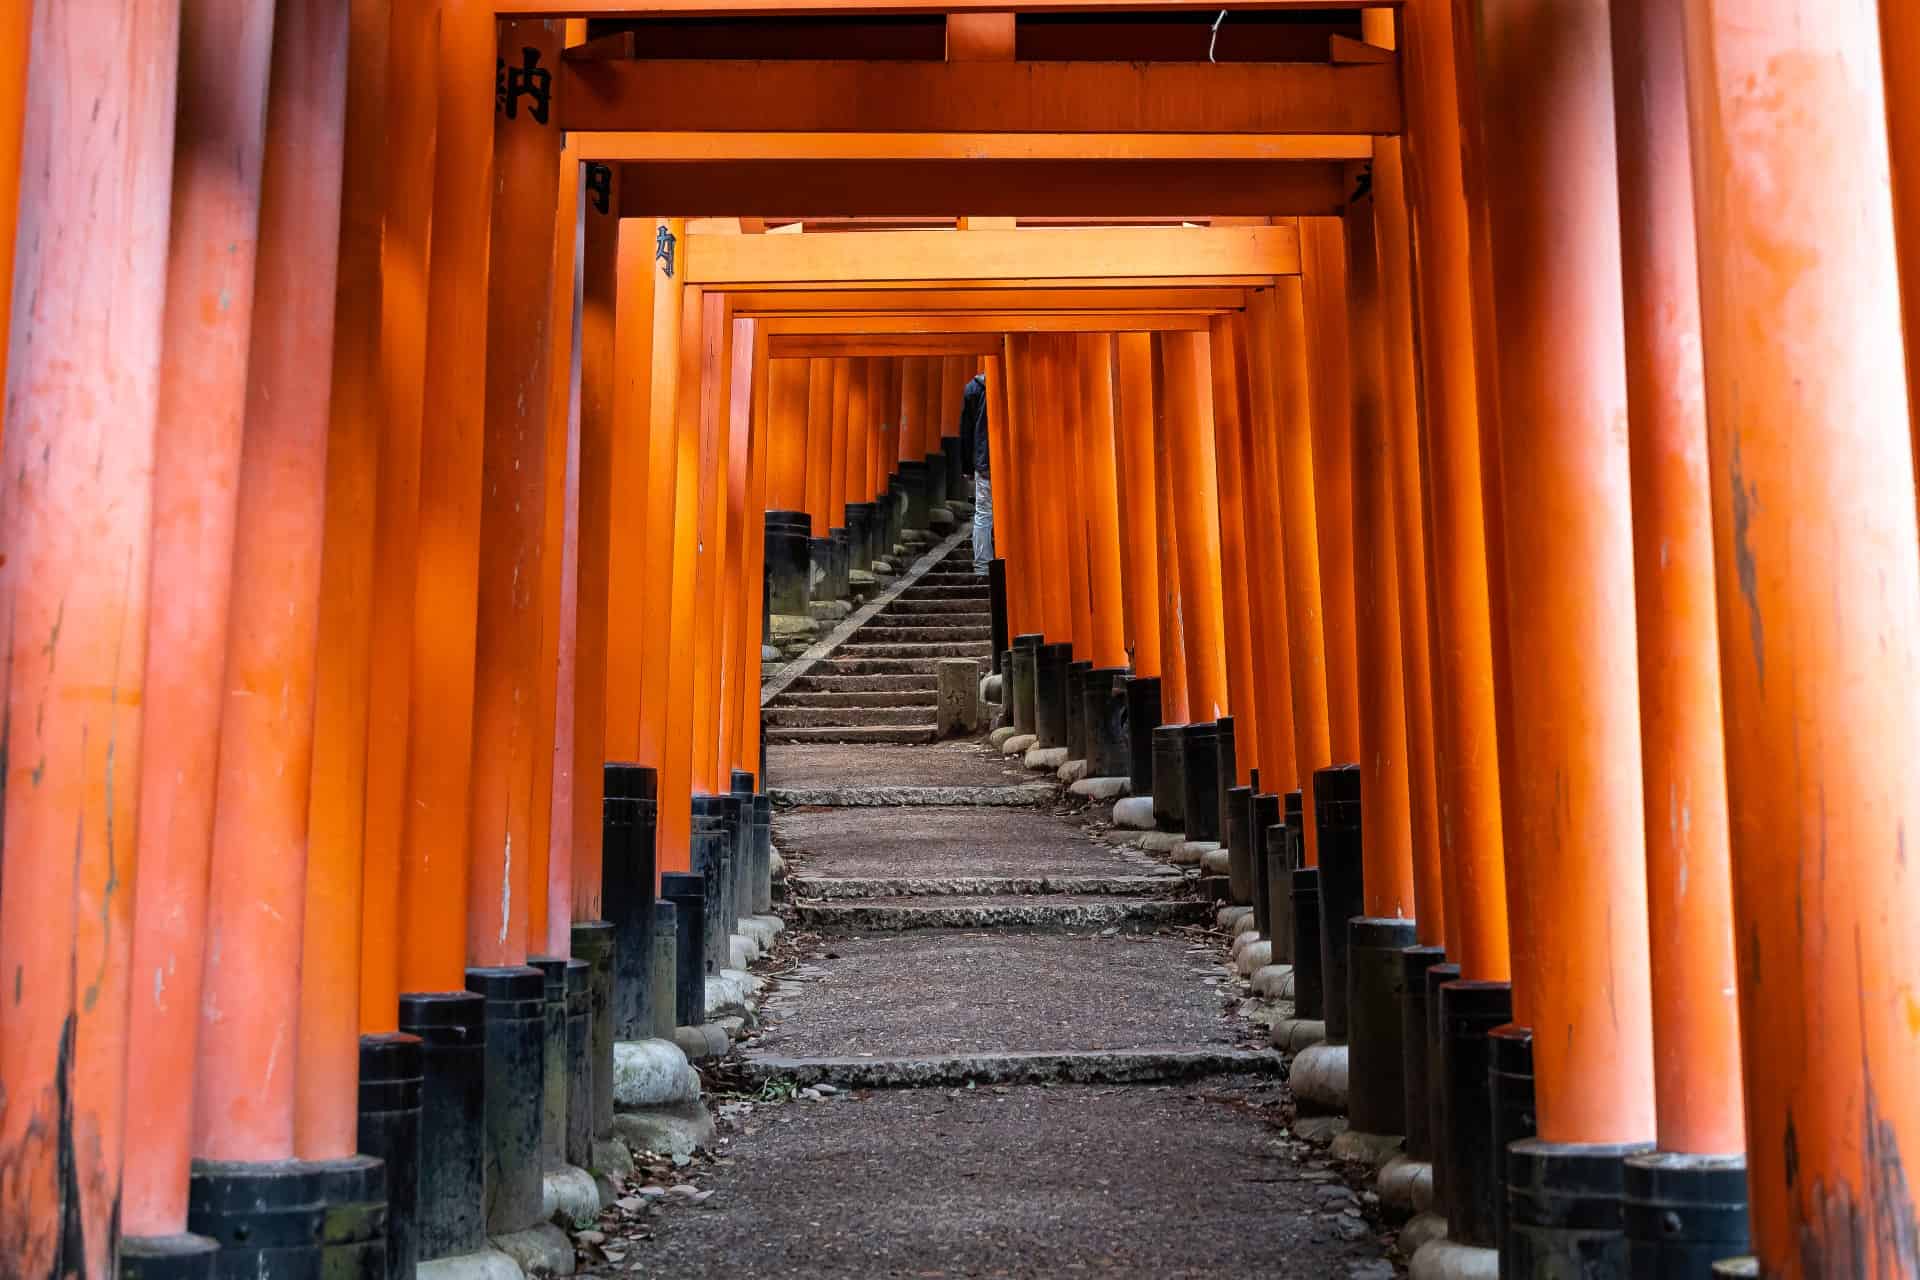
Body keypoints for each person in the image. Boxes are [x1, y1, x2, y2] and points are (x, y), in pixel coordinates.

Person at [961, 371, 991, 574]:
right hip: (1018, 462)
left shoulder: (973, 388)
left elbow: (967, 430)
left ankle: (982, 566)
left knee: (983, 514)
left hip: (984, 462)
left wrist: (967, 466)